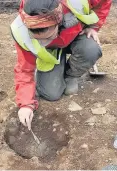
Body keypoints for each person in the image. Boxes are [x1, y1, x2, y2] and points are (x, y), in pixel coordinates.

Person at [10, 0, 112, 130]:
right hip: (52, 52)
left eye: (48, 37)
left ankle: (71, 75)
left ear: (59, 21)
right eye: (38, 39)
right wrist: (25, 105)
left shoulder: (75, 3)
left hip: (74, 34)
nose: (43, 42)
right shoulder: (22, 32)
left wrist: (94, 26)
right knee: (51, 94)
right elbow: (24, 70)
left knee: (90, 49)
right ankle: (56, 68)